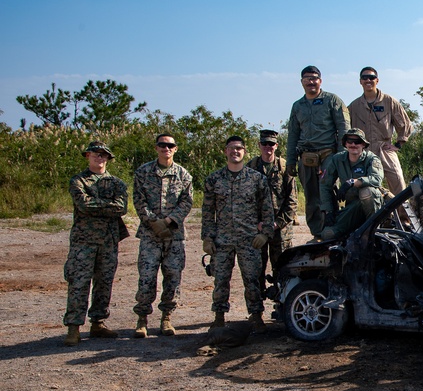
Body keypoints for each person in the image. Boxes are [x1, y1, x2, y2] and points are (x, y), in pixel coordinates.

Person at [202, 135, 275, 332]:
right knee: (220, 280)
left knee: (252, 279)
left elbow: (267, 209)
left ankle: (256, 315)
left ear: (244, 152)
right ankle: (219, 316)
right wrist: (207, 238)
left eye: (239, 148)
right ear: (225, 151)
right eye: (232, 148)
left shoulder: (256, 179)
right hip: (222, 240)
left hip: (249, 239)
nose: (235, 151)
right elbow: (208, 211)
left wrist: (265, 234)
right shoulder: (214, 179)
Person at [63, 141, 129, 346]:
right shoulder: (78, 181)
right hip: (84, 241)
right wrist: (106, 206)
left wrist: (97, 205)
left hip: (108, 242)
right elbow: (83, 204)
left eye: (103, 155)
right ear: (88, 156)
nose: (100, 158)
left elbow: (121, 208)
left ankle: (98, 323)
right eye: (96, 154)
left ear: (108, 159)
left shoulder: (117, 183)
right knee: (79, 283)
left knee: (104, 283)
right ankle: (73, 327)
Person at [131, 133, 194, 338]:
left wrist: (168, 222)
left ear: (175, 149)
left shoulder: (183, 175)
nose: (166, 148)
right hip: (150, 235)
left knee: (173, 277)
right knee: (147, 277)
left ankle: (166, 317)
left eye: (170, 146)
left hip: (174, 235)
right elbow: (138, 199)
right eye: (162, 145)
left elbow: (187, 202)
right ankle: (142, 319)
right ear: (156, 148)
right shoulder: (143, 172)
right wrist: (153, 221)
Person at [286, 65, 350, 242]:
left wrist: (340, 157)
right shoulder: (297, 106)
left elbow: (343, 129)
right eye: (307, 79)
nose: (311, 82)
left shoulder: (332, 100)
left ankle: (333, 231)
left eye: (314, 78)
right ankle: (317, 233)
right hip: (306, 157)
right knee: (311, 197)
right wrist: (290, 161)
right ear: (302, 82)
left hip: (328, 155)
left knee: (328, 193)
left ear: (320, 81)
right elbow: (292, 134)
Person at [347, 67, 413, 196]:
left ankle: (404, 215)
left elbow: (405, 124)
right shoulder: (354, 106)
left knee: (398, 181)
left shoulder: (389, 101)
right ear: (360, 81)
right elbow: (345, 127)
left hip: (384, 148)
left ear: (377, 80)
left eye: (371, 77)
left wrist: (398, 144)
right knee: (363, 186)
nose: (368, 80)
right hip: (363, 151)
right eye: (365, 77)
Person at [247, 129, 297, 294]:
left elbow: (292, 201)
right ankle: (257, 311)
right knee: (255, 270)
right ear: (259, 145)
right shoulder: (251, 167)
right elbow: (245, 199)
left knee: (283, 269)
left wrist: (278, 223)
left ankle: (282, 306)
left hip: (280, 229)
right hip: (257, 227)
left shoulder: (284, 168)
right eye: (265, 144)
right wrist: (256, 224)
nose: (268, 147)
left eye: (271, 144)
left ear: (276, 146)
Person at [319, 129, 384, 241]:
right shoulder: (337, 159)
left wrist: (353, 182)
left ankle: (372, 231)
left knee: (366, 192)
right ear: (345, 144)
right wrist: (328, 211)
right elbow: (325, 185)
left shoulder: (371, 159)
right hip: (352, 207)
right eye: (350, 141)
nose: (353, 144)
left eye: (357, 141)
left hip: (373, 207)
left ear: (363, 144)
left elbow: (376, 179)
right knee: (327, 234)